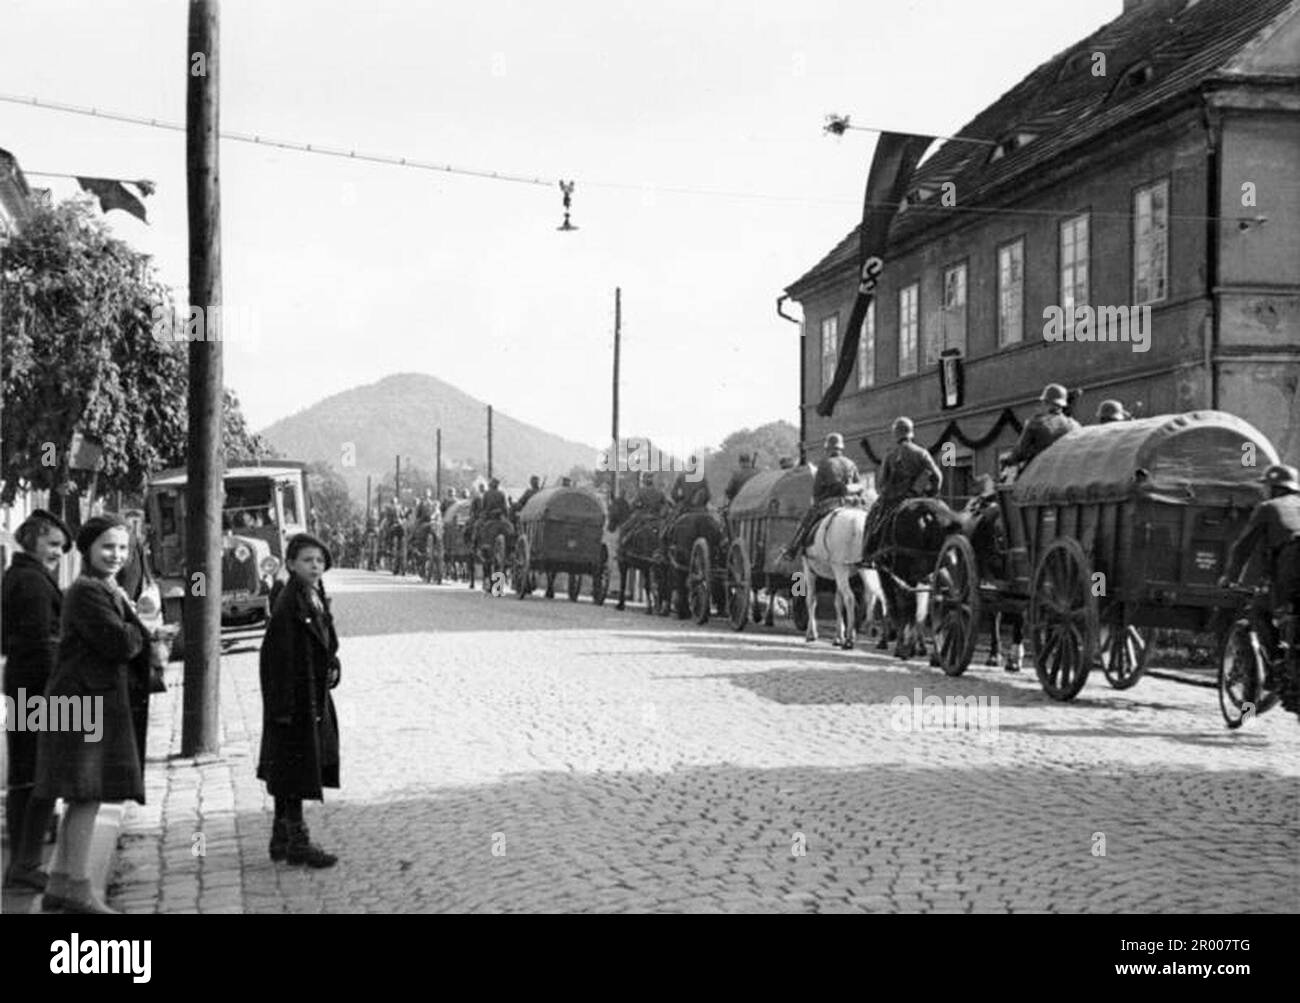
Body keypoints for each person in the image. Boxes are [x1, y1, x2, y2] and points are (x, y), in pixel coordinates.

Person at [34, 515, 152, 913]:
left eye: (122, 548)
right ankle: (80, 889)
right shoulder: (87, 591)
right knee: (87, 795)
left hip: (86, 700)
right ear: (87, 550)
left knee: (82, 798)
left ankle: (61, 884)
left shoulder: (104, 587)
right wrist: (145, 628)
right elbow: (119, 642)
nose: (116, 555)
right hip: (83, 705)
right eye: (107, 547)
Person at [257, 533, 342, 868]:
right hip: (293, 696)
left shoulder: (314, 594)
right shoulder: (290, 601)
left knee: (291, 766)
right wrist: (284, 705)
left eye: (320, 561)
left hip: (309, 690)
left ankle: (281, 836)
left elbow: (325, 640)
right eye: (307, 560)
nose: (315, 566)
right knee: (295, 767)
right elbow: (277, 656)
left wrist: (332, 662)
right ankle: (297, 842)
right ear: (291, 564)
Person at [2, 510, 71, 892]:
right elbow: (40, 645)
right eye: (53, 545)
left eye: (61, 547)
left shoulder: (25, 575)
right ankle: (25, 864)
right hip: (38, 690)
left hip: (28, 687)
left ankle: (25, 862)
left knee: (30, 776)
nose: (58, 553)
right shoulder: (31, 582)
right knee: (36, 776)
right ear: (32, 541)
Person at [1219, 464, 1300, 709]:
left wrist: (1230, 577)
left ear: (1273, 489)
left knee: (1260, 609)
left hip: (1293, 561)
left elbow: (1244, 546)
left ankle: (1277, 664)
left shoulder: (1267, 508)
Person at [783, 433, 865, 559]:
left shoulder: (825, 464)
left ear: (827, 449)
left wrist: (816, 504)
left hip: (830, 504)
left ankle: (792, 549)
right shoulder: (851, 464)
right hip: (852, 502)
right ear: (841, 448)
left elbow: (816, 492)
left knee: (807, 521)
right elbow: (859, 486)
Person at [1002, 383, 1081, 473]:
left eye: (1043, 402)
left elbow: (1020, 452)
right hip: (1067, 473)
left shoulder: (1036, 423)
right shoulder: (1075, 426)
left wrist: (1007, 461)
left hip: (1041, 473)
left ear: (1047, 402)